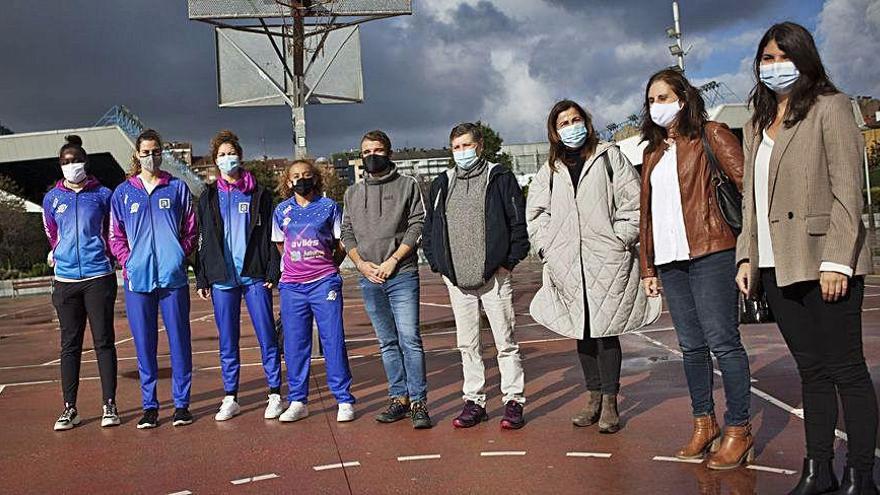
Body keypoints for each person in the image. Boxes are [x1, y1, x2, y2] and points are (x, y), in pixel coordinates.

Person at [736, 22, 878, 494]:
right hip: (778, 265)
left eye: (783, 56)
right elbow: (750, 201)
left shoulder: (831, 108)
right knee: (810, 371)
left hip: (824, 262)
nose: (774, 66)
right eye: (767, 58)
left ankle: (862, 476)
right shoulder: (757, 122)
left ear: (805, 57)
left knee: (847, 370)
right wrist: (746, 258)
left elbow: (846, 191)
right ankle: (819, 471)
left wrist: (837, 260)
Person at [638, 69, 754, 469]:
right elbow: (647, 216)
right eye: (651, 100)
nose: (657, 106)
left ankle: (738, 429)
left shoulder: (712, 134)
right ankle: (704, 424)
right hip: (670, 261)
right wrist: (648, 267)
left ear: (683, 99)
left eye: (664, 97)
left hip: (712, 251)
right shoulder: (652, 152)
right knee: (691, 347)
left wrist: (748, 252)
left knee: (724, 342)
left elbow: (747, 188)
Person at [527, 100, 658, 434]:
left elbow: (634, 203)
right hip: (568, 262)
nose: (572, 127)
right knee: (581, 332)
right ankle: (593, 397)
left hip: (607, 258)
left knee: (606, 331)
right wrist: (548, 248)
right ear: (554, 132)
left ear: (586, 121)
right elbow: (537, 214)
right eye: (564, 123)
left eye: (576, 119)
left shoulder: (609, 156)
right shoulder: (550, 170)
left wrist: (620, 238)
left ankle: (611, 401)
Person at [423, 122, 529, 429]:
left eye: (467, 146)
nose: (462, 152)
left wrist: (508, 262)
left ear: (479, 146)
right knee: (467, 344)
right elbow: (431, 229)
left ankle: (513, 401)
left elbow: (518, 225)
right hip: (457, 281)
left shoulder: (500, 177)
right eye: (456, 147)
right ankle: (474, 401)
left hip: (494, 277)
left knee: (505, 342)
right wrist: (439, 265)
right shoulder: (443, 182)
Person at [340, 130, 431, 429]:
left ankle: (419, 402)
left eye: (377, 150)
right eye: (366, 152)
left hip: (401, 273)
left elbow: (417, 224)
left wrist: (393, 260)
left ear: (389, 153)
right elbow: (347, 233)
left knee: (410, 339)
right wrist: (361, 265)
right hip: (369, 277)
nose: (372, 156)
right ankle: (398, 398)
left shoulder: (408, 185)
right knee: (387, 342)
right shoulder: (352, 193)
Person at [109, 129, 198, 429]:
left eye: (156, 151)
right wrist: (129, 262)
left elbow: (190, 228)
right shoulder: (123, 193)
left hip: (173, 279)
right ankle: (150, 406)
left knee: (179, 341)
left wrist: (178, 256)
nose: (151, 156)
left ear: (162, 153)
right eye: (145, 152)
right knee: (144, 344)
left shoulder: (177, 188)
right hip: (138, 281)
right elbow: (115, 235)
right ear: (136, 155)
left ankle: (182, 404)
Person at [195, 130, 283, 421]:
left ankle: (274, 393)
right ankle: (230, 396)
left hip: (254, 275)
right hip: (222, 277)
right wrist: (202, 276)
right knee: (227, 339)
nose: (227, 159)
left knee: (266, 334)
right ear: (214, 161)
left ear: (240, 156)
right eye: (221, 155)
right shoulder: (208, 196)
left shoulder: (258, 192)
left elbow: (272, 234)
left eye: (231, 153)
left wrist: (273, 268)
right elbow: (203, 238)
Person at [42, 135, 120, 431]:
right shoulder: (52, 198)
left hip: (98, 277)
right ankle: (69, 408)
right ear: (60, 165)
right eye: (66, 162)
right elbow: (52, 233)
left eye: (76, 160)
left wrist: (110, 257)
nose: (71, 165)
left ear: (85, 162)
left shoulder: (103, 194)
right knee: (69, 345)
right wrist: (59, 255)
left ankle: (109, 404)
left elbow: (113, 231)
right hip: (65, 282)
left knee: (103, 341)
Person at [273, 158, 355, 423]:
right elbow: (280, 244)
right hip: (292, 287)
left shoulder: (329, 207)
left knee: (333, 339)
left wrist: (329, 266)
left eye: (306, 174)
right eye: (295, 175)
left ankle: (343, 398)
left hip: (324, 282)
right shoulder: (281, 210)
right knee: (295, 344)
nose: (301, 179)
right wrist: (294, 266)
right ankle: (298, 400)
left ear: (315, 178)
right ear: (288, 181)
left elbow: (341, 243)